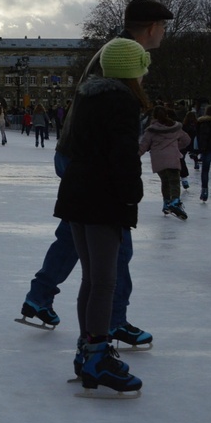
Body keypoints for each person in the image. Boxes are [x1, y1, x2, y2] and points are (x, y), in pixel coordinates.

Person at [19, 0, 173, 345]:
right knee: (113, 245)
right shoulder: (122, 55)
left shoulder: (113, 50)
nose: (164, 32)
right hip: (84, 159)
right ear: (151, 27)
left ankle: (39, 296)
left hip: (73, 155)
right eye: (163, 26)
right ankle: (112, 322)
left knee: (75, 238)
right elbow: (110, 123)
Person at [54, 37, 149, 394]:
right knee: (105, 281)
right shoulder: (122, 101)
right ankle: (97, 353)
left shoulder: (86, 95)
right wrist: (131, 197)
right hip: (102, 197)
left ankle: (86, 350)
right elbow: (124, 157)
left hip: (76, 192)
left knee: (91, 278)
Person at [139, 105, 190, 219]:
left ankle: (166, 203)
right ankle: (175, 202)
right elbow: (187, 140)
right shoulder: (175, 127)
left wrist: (134, 156)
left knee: (165, 181)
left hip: (158, 159)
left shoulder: (151, 130)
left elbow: (143, 146)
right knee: (174, 181)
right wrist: (177, 147)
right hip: (172, 157)